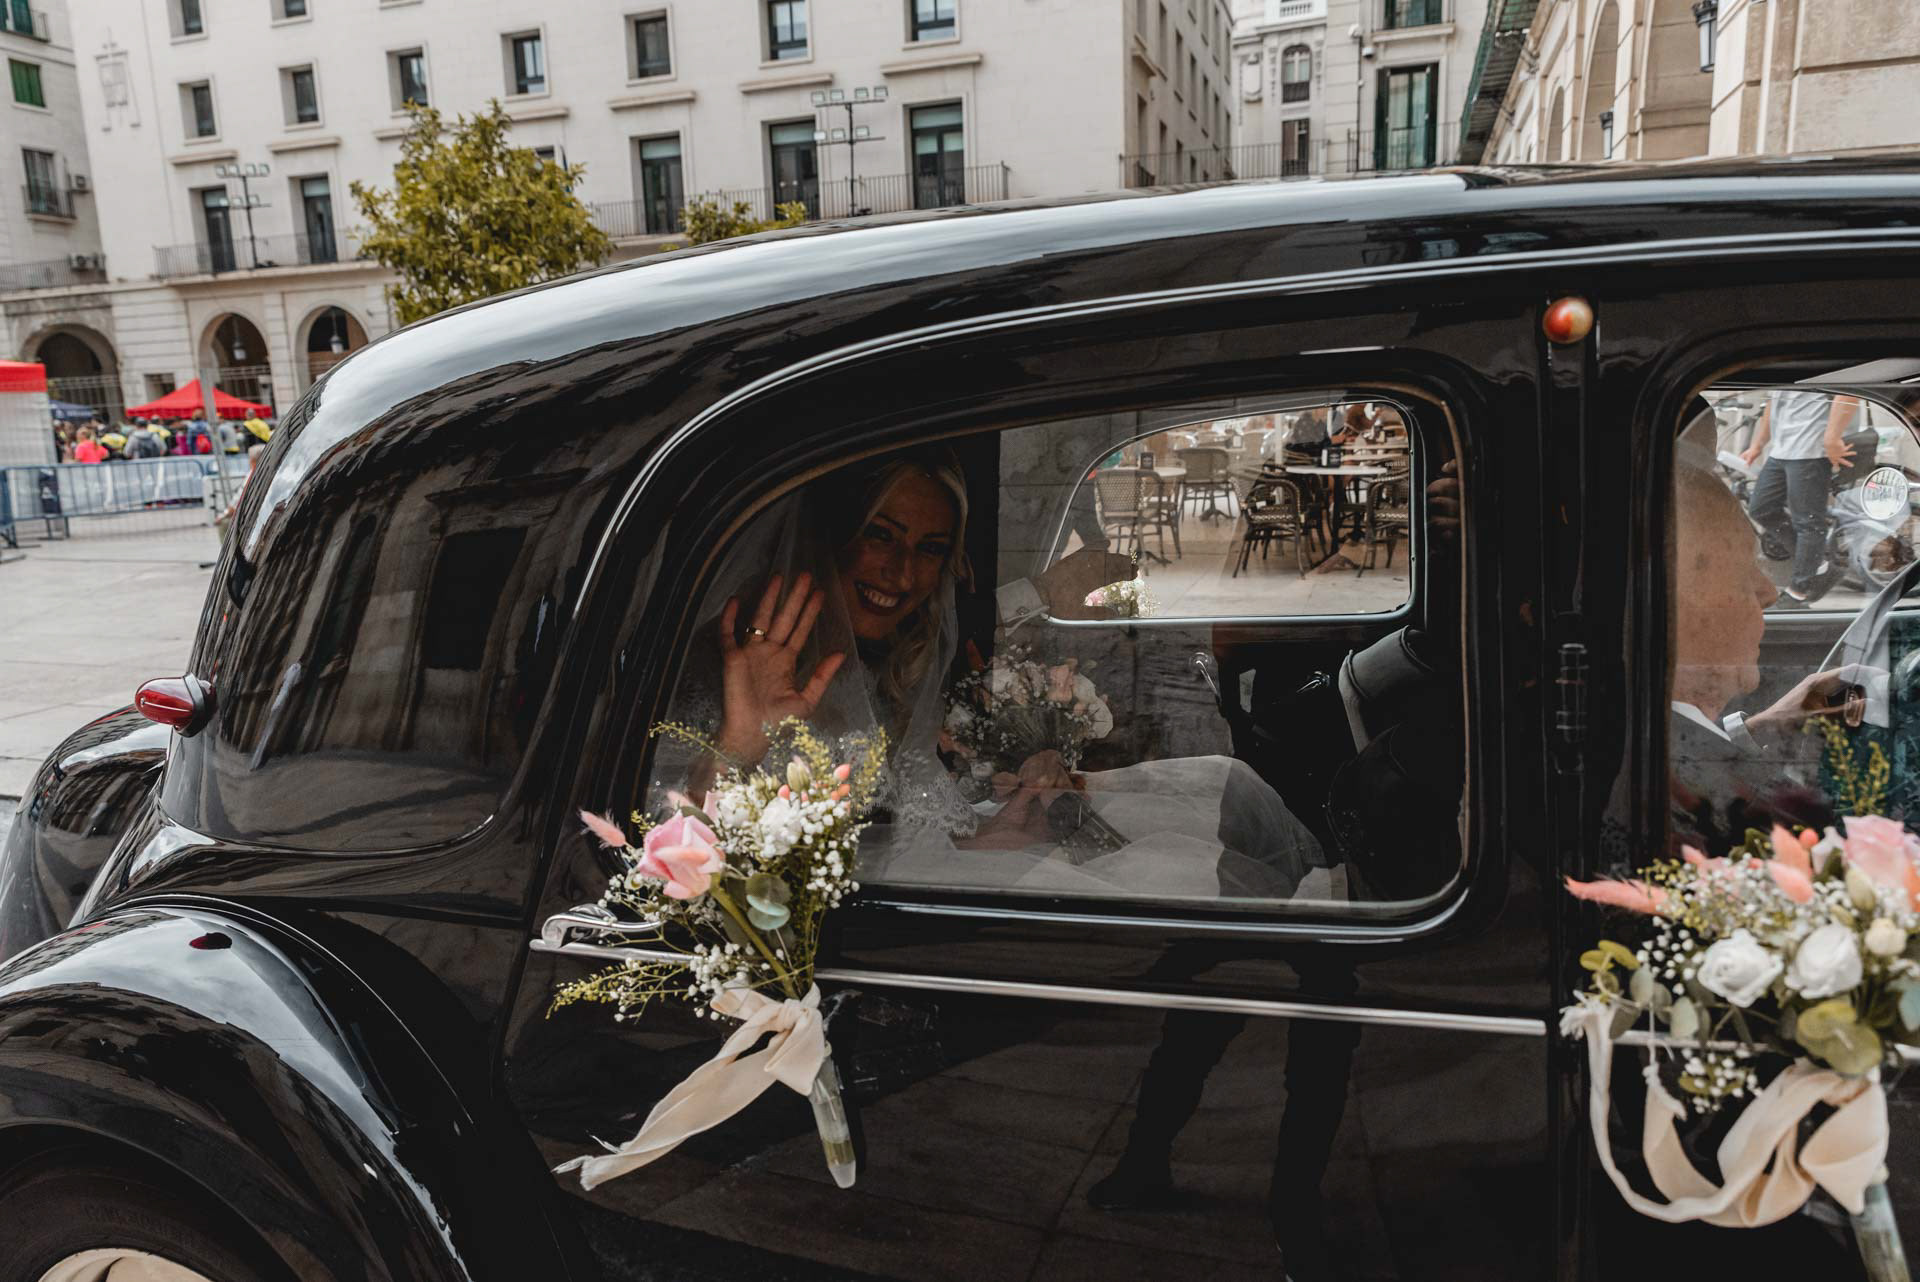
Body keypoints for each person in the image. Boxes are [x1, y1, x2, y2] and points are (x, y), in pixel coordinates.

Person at [662, 448, 1319, 902]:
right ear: (836, 534)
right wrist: (740, 744)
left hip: (910, 875)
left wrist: (989, 828)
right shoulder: (731, 676)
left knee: (1217, 785)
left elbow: (892, 819)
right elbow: (674, 872)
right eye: (880, 536)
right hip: (845, 929)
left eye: (929, 550)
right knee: (1176, 880)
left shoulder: (882, 660)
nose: (900, 574)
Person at [1739, 390, 1860, 606]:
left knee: (1808, 522)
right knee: (1761, 508)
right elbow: (1772, 403)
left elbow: (1848, 393)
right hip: (1781, 451)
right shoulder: (1779, 364)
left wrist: (1832, 438)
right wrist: (1758, 445)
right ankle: (1818, 564)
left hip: (1811, 450)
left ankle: (1798, 591)